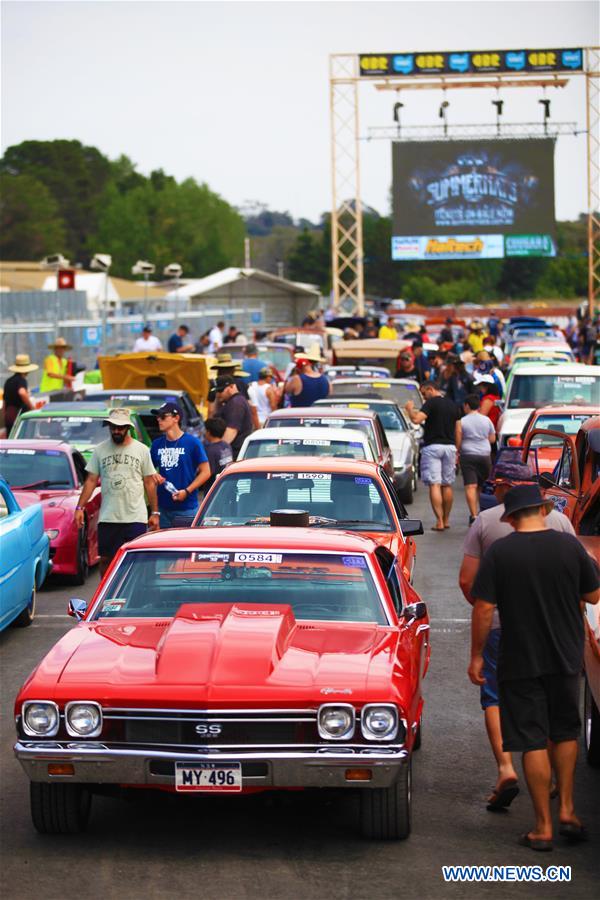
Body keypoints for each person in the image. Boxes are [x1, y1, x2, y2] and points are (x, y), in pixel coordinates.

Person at [468, 484, 599, 851]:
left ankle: (542, 827)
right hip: (565, 654)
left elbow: (483, 608)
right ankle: (569, 810)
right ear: (543, 510)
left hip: (520, 656)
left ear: (510, 518)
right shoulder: (570, 546)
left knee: (531, 738)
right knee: (564, 731)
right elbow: (593, 595)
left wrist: (477, 655)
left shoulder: (501, 553)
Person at [459, 461, 577, 814]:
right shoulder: (560, 522)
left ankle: (507, 769)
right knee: (559, 715)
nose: (492, 490)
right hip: (558, 629)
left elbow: (468, 582)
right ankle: (564, 795)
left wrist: (488, 608)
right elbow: (586, 585)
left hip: (501, 626)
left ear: (506, 487)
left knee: (496, 698)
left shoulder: (486, 522)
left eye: (495, 485)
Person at [75, 408, 159, 576]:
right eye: (113, 427)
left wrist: (155, 513)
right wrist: (79, 508)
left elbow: (149, 482)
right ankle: (105, 597)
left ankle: (135, 596)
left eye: (120, 427)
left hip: (135, 516)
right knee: (106, 559)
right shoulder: (100, 450)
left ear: (128, 428)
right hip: (108, 516)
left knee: (136, 561)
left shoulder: (141, 450)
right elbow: (91, 480)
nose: (116, 431)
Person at [405, 382, 460, 531]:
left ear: (431, 389)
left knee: (435, 484)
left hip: (433, 447)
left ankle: (440, 522)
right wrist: (457, 450)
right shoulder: (452, 404)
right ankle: (447, 520)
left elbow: (417, 420)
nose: (423, 397)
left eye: (424, 393)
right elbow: (458, 429)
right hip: (450, 447)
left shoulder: (431, 404)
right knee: (447, 484)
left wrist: (410, 410)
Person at [150, 402, 210, 528]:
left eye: (163, 416)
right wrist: (154, 475)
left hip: (187, 507)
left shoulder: (192, 442)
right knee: (164, 546)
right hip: (163, 508)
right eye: (157, 417)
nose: (158, 420)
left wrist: (187, 491)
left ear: (176, 418)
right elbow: (149, 473)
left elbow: (206, 472)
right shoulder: (156, 444)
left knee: (187, 546)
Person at [457, 394, 496, 523]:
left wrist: (457, 452)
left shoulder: (462, 421)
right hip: (485, 455)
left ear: (467, 406)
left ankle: (473, 515)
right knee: (481, 485)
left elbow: (459, 438)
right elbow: (492, 439)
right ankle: (481, 512)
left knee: (470, 486)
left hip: (467, 454)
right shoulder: (486, 420)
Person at [213, 375, 254, 459]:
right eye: (217, 391)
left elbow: (231, 431)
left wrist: (219, 450)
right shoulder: (233, 401)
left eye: (220, 391)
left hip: (236, 452)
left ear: (231, 387)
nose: (218, 394)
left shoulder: (236, 403)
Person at [3, 354, 38, 433]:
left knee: (11, 440)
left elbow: (5, 402)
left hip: (9, 416)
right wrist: (32, 408)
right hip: (18, 415)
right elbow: (22, 392)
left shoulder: (9, 381)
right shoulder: (21, 380)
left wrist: (4, 416)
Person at [203, 417, 233, 492]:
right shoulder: (227, 445)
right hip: (227, 485)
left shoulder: (210, 451)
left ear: (208, 432)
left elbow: (208, 473)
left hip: (213, 489)